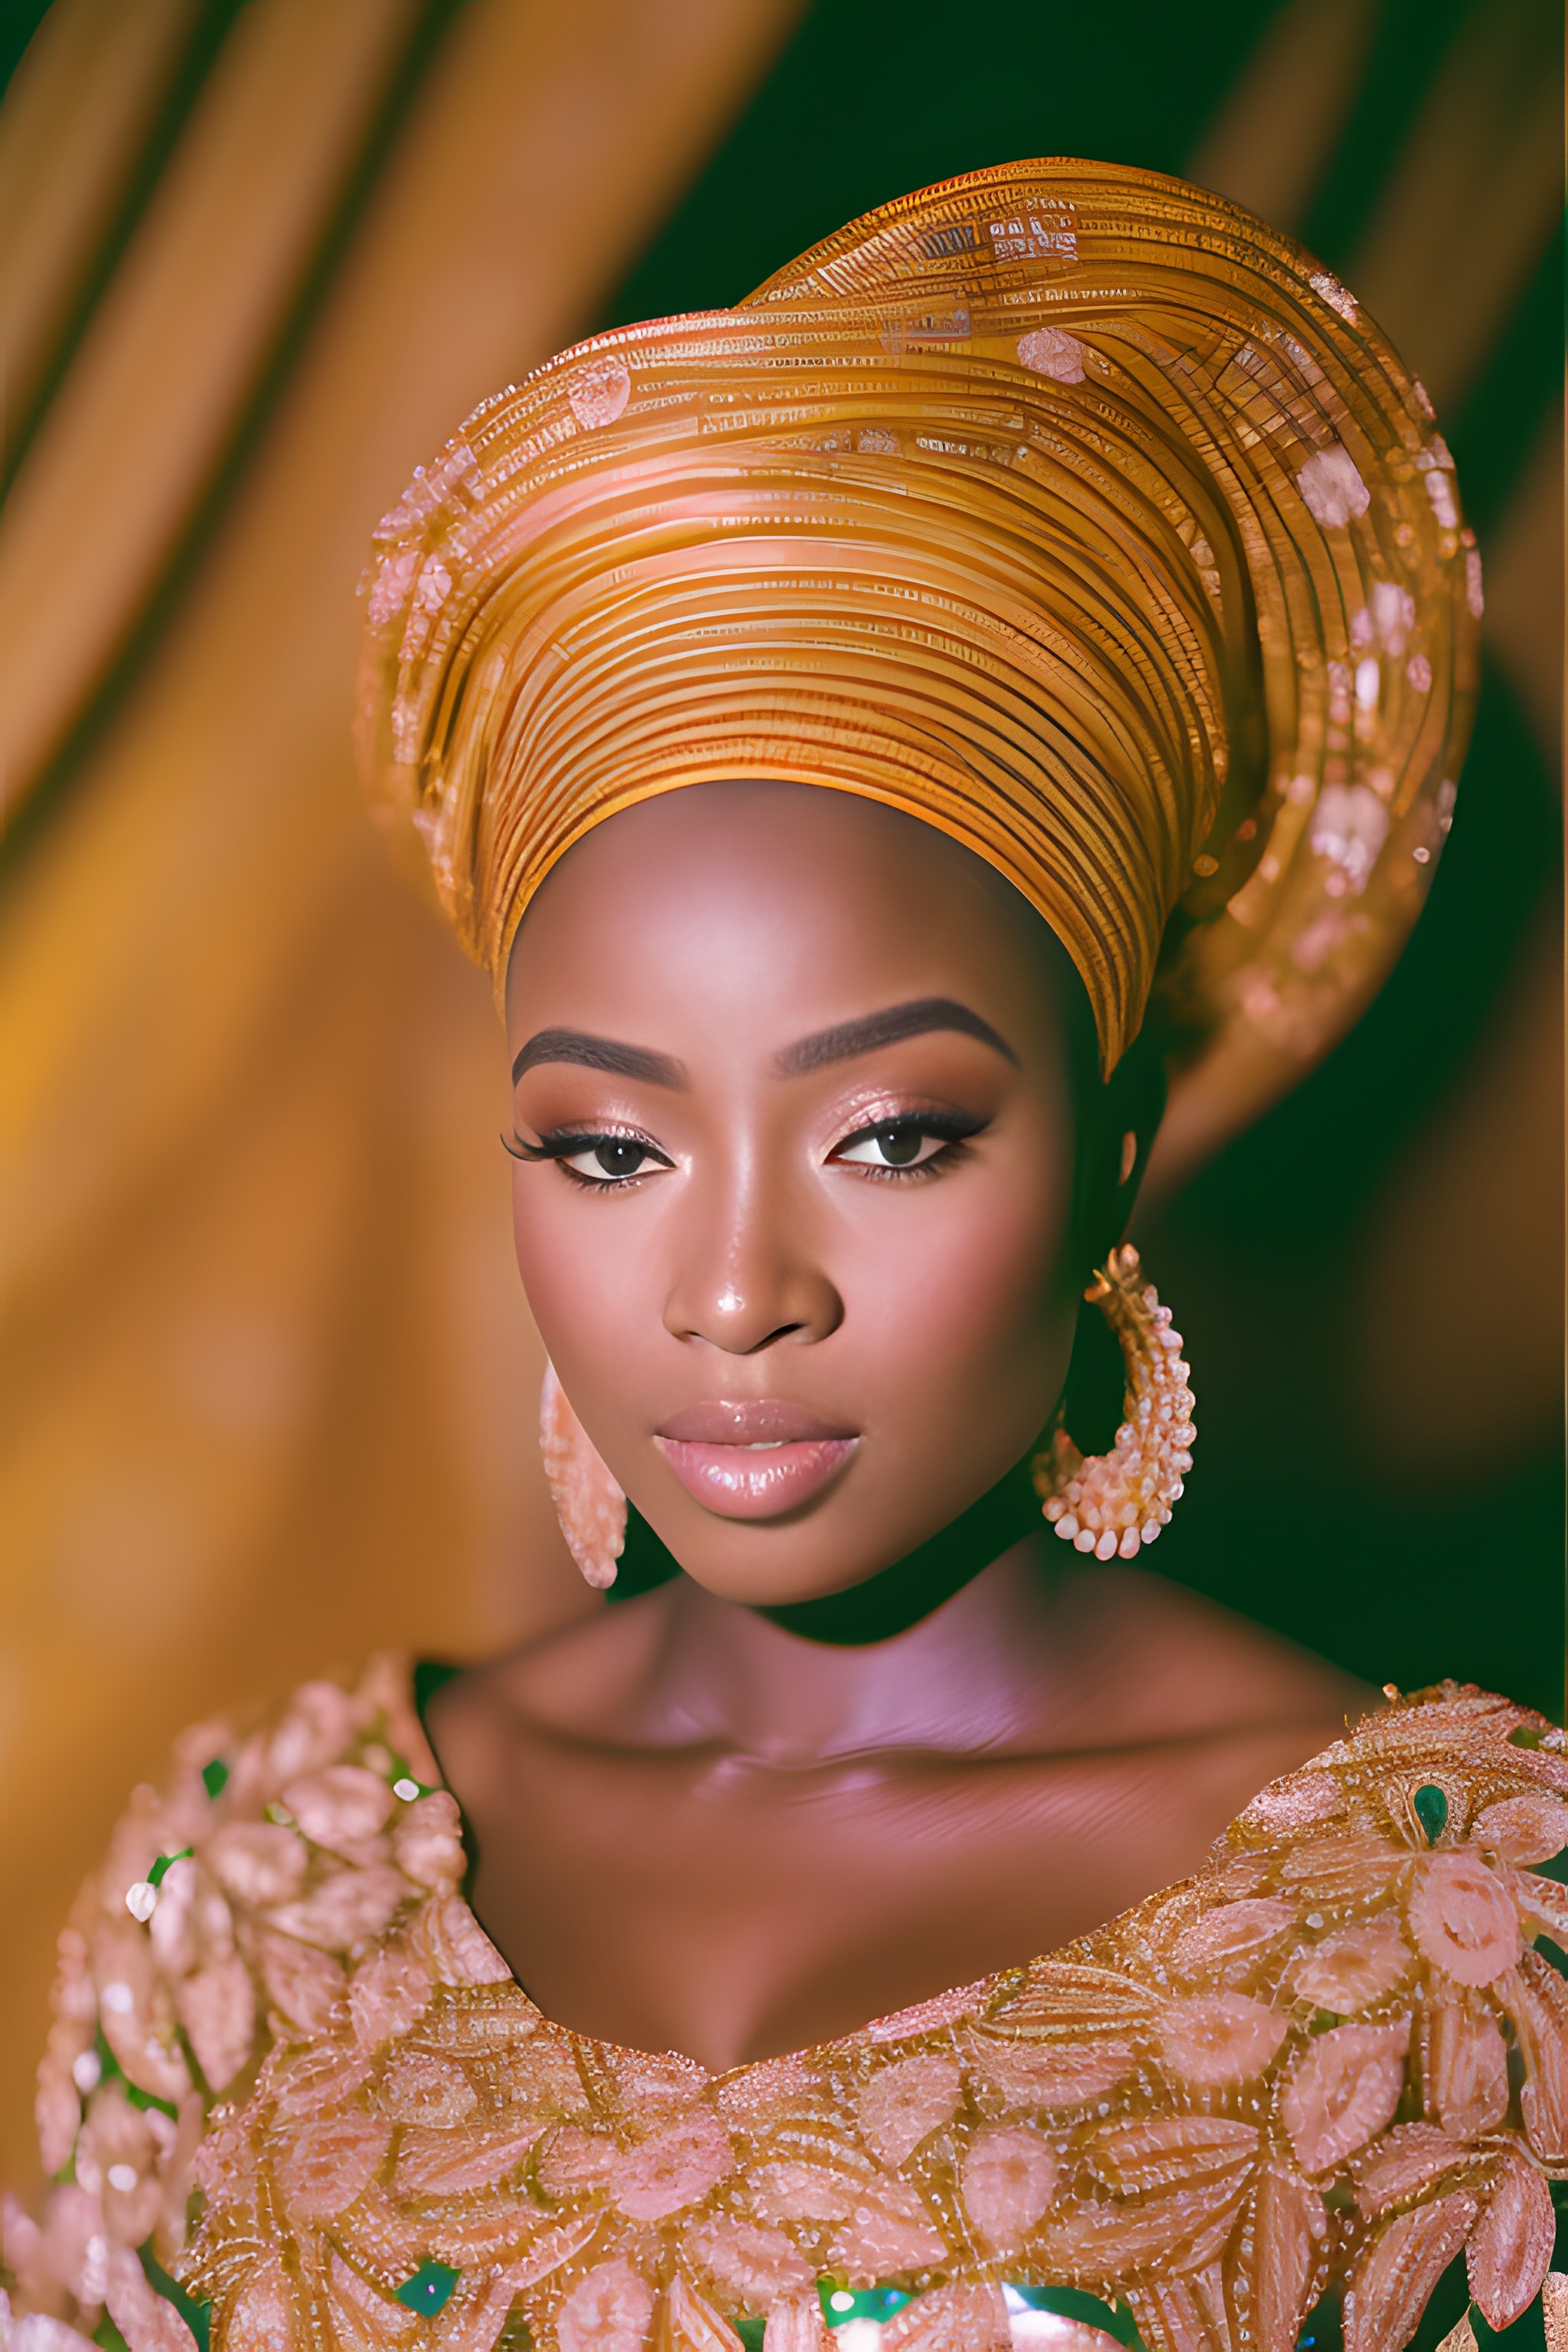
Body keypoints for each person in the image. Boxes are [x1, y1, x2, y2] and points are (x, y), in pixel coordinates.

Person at [10, 162, 1564, 2352]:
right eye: (609, 1144)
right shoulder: (248, 1889)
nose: (735, 1289)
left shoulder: (1463, 1948)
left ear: (1119, 1146)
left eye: (895, 1134)